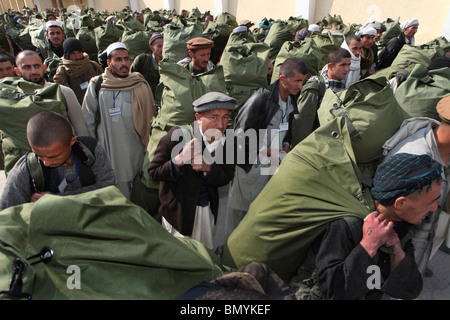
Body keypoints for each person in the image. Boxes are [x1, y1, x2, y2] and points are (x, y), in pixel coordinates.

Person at [294, 152, 442, 300]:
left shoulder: (400, 228)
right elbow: (333, 290)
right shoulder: (346, 225)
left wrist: (397, 254)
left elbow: (411, 290)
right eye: (430, 202)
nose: (435, 208)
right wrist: (369, 245)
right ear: (400, 204)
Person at [225, 57, 308, 236]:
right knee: (240, 212)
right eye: (297, 81)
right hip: (250, 167)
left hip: (272, 167)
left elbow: (289, 127)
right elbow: (239, 134)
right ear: (283, 79)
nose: (300, 86)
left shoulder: (291, 100)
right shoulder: (261, 98)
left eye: (303, 81)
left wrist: (286, 145)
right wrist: (268, 151)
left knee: (259, 210)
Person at [148, 91, 236, 249]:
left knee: (204, 254)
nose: (221, 125)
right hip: (178, 216)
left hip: (206, 212)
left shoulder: (227, 142)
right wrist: (179, 160)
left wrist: (208, 168)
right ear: (198, 117)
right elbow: (154, 171)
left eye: (225, 117)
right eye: (214, 117)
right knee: (179, 256)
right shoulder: (178, 136)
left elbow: (227, 175)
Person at [382, 96, 450, 278]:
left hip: (421, 237)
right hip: (398, 241)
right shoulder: (415, 156)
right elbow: (390, 209)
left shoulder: (443, 150)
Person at [82, 42, 155, 200]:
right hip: (111, 153)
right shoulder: (98, 85)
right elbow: (88, 121)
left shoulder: (138, 83)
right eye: (118, 59)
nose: (124, 63)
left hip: (137, 150)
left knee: (139, 193)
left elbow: (151, 119)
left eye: (127, 59)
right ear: (109, 62)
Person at [0, 111, 115, 210]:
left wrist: (57, 199)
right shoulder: (27, 169)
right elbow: (6, 213)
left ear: (72, 141)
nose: (46, 162)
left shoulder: (90, 150)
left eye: (54, 156)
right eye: (39, 155)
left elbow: (109, 188)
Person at [14, 50, 89, 137]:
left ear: (44, 67)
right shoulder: (14, 98)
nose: (33, 71)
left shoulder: (63, 92)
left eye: (37, 66)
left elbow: (81, 127)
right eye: (27, 67)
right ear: (17, 71)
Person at [53, 38, 103, 105]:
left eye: (79, 52)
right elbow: (64, 96)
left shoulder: (93, 66)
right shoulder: (63, 72)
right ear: (67, 55)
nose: (77, 56)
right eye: (73, 53)